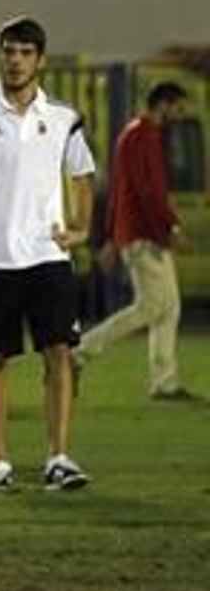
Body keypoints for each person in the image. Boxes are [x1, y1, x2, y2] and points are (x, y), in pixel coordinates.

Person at [0, 16, 96, 491]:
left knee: (59, 355)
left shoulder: (65, 118)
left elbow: (83, 174)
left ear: (41, 60)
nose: (15, 60)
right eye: (9, 51)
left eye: (25, 52)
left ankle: (58, 458)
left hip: (48, 255)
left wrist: (82, 228)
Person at [79, 81, 193, 400]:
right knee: (152, 307)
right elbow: (148, 192)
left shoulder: (140, 134)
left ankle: (165, 381)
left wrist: (112, 238)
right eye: (179, 108)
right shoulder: (142, 136)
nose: (181, 116)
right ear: (165, 105)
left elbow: (123, 192)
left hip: (144, 232)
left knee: (168, 308)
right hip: (145, 234)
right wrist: (171, 229)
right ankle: (81, 351)